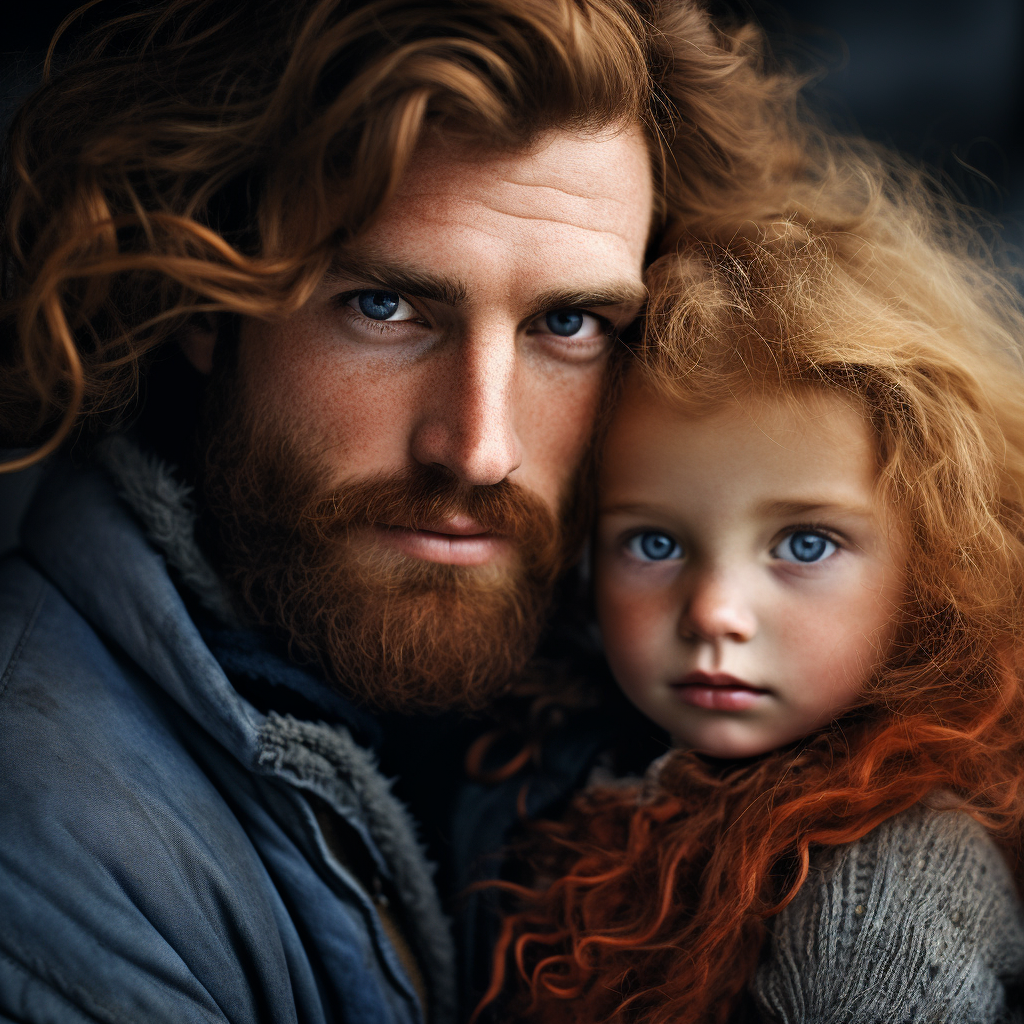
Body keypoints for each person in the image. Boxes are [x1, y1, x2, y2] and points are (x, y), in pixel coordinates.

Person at [0, 0, 831, 1021]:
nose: (481, 448)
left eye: (567, 323)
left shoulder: (651, 649)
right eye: (385, 307)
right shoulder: (42, 840)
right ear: (202, 299)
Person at [482, 205, 1024, 1022]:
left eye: (804, 546)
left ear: (936, 562)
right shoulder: (551, 755)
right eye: (655, 543)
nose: (713, 613)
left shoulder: (891, 887)